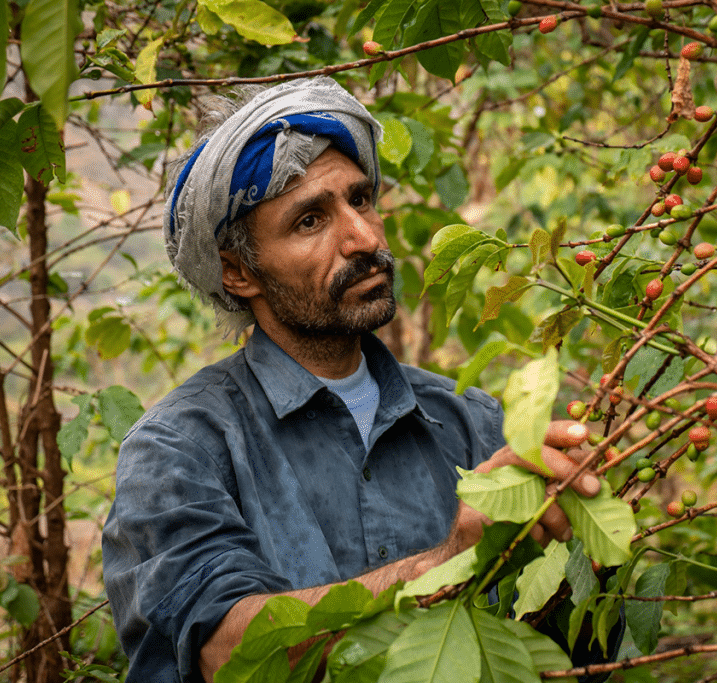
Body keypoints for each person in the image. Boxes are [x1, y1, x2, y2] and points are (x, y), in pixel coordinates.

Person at [101, 77, 602, 683]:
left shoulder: (475, 423)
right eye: (310, 221)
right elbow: (226, 651)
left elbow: (574, 646)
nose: (364, 239)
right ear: (238, 273)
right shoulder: (179, 449)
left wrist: (582, 548)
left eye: (360, 200)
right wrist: (448, 563)